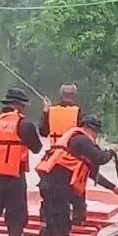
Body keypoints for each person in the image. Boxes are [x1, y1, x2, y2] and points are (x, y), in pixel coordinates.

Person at [35, 115, 118, 236]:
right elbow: (100, 158)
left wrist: (113, 188)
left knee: (52, 219)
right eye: (96, 133)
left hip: (49, 182)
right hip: (57, 184)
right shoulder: (82, 139)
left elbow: (93, 174)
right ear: (90, 129)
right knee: (61, 223)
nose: (96, 136)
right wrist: (111, 152)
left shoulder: (76, 141)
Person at [0, 88, 43, 236]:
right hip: (15, 180)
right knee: (16, 221)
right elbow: (37, 148)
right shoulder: (24, 125)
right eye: (24, 106)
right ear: (19, 105)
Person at [39, 83, 87, 225]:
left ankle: (46, 218)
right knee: (77, 189)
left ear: (61, 95)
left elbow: (42, 131)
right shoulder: (78, 112)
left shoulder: (51, 111)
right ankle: (78, 218)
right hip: (73, 158)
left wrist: (45, 110)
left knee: (50, 191)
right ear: (74, 96)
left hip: (53, 159)